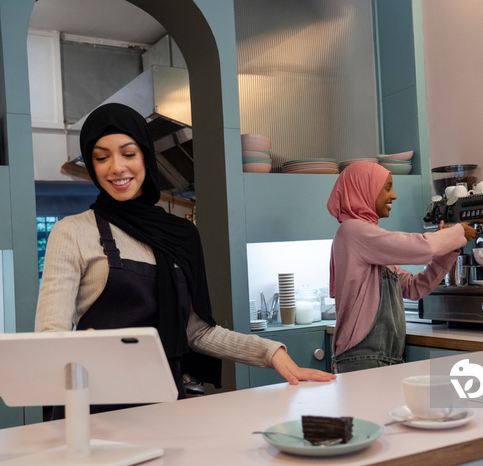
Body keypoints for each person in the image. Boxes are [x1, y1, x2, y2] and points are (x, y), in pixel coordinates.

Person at [35, 103, 335, 414]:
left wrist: (272, 353)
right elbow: (50, 337)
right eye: (101, 157)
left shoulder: (180, 234)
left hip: (164, 402)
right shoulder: (71, 232)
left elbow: (198, 332)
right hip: (94, 406)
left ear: (146, 156)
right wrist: (80, 347)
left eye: (128, 153)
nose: (117, 167)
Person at [326, 162, 476, 373]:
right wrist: (454, 234)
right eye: (387, 188)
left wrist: (448, 250)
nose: (394, 195)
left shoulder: (370, 240)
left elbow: (416, 287)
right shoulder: (352, 231)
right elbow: (420, 247)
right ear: (364, 189)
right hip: (362, 358)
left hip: (385, 358)